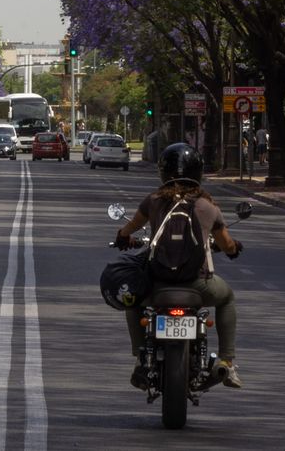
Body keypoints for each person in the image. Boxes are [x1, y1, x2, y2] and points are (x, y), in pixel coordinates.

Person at [114, 142, 244, 390]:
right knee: (227, 298)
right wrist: (234, 248)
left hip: (159, 283)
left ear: (163, 172)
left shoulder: (153, 201)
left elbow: (128, 228)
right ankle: (227, 361)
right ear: (198, 173)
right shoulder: (208, 206)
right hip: (197, 284)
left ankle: (142, 357)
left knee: (133, 300)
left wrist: (122, 238)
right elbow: (226, 245)